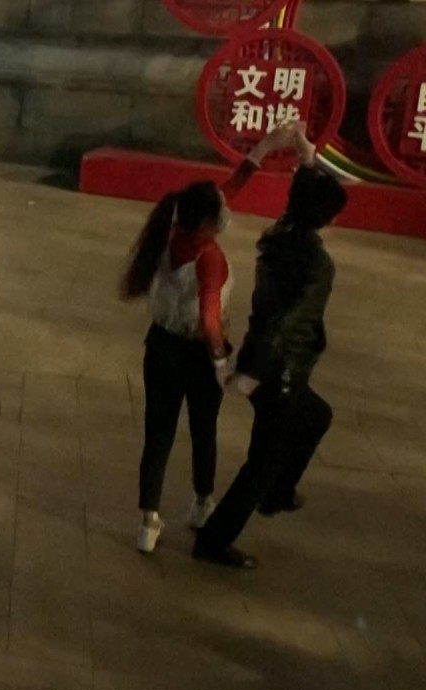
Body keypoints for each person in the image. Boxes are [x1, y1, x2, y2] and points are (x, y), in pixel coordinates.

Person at [121, 124, 299, 554]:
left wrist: (263, 150)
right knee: (204, 430)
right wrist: (221, 363)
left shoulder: (168, 230)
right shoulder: (211, 257)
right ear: (208, 222)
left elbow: (225, 192)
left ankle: (148, 522)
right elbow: (210, 322)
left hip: (159, 347)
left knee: (157, 437)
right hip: (196, 356)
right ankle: (202, 502)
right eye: (219, 215)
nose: (226, 216)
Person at [194, 128, 347, 570]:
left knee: (317, 416)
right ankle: (215, 539)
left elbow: (303, 195)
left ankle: (277, 492)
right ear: (325, 217)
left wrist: (306, 155)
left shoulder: (281, 237)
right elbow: (292, 324)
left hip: (265, 365)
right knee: (261, 464)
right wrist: (257, 373)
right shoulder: (318, 264)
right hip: (277, 373)